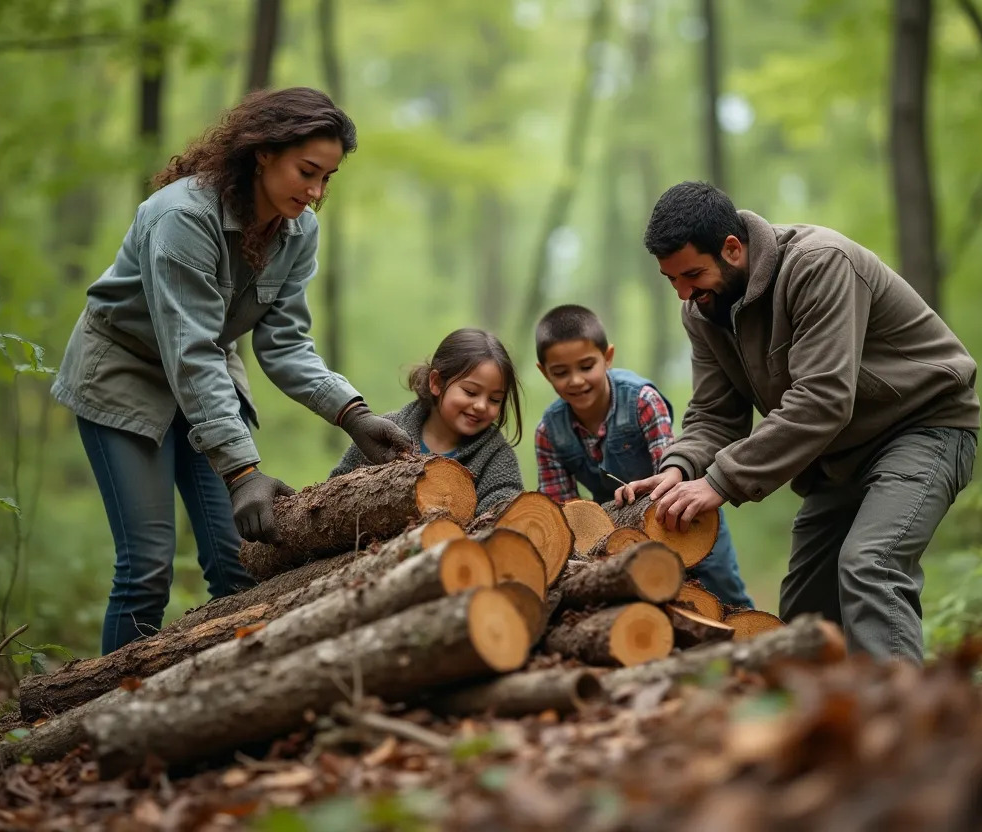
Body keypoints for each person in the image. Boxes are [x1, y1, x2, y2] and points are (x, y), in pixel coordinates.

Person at [52, 87, 412, 654]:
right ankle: (108, 716)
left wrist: (353, 413)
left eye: (328, 178)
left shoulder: (298, 233)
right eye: (307, 171)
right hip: (124, 375)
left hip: (206, 376)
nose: (316, 192)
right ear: (263, 152)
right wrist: (244, 473)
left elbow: (285, 343)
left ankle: (228, 706)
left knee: (239, 563)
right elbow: (188, 350)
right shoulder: (180, 217)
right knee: (147, 567)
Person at [616, 181, 980, 663]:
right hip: (836, 457)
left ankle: (903, 724)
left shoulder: (819, 264)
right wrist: (678, 469)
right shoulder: (701, 311)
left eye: (692, 274)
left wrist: (720, 481)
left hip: (924, 428)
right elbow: (714, 415)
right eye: (671, 280)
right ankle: (819, 728)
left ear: (732, 249)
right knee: (807, 611)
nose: (684, 292)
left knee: (871, 566)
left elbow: (823, 398)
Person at [535, 304, 752, 607]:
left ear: (607, 358)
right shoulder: (549, 431)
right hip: (618, 537)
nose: (575, 380)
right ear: (544, 372)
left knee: (724, 592)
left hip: (686, 519)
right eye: (561, 372)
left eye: (586, 367)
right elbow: (562, 509)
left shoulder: (641, 401)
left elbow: (668, 471)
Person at [330, 328, 524, 513]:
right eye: (470, 392)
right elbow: (335, 489)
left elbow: (503, 503)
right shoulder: (385, 431)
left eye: (494, 399)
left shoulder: (497, 456)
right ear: (436, 382)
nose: (481, 405)